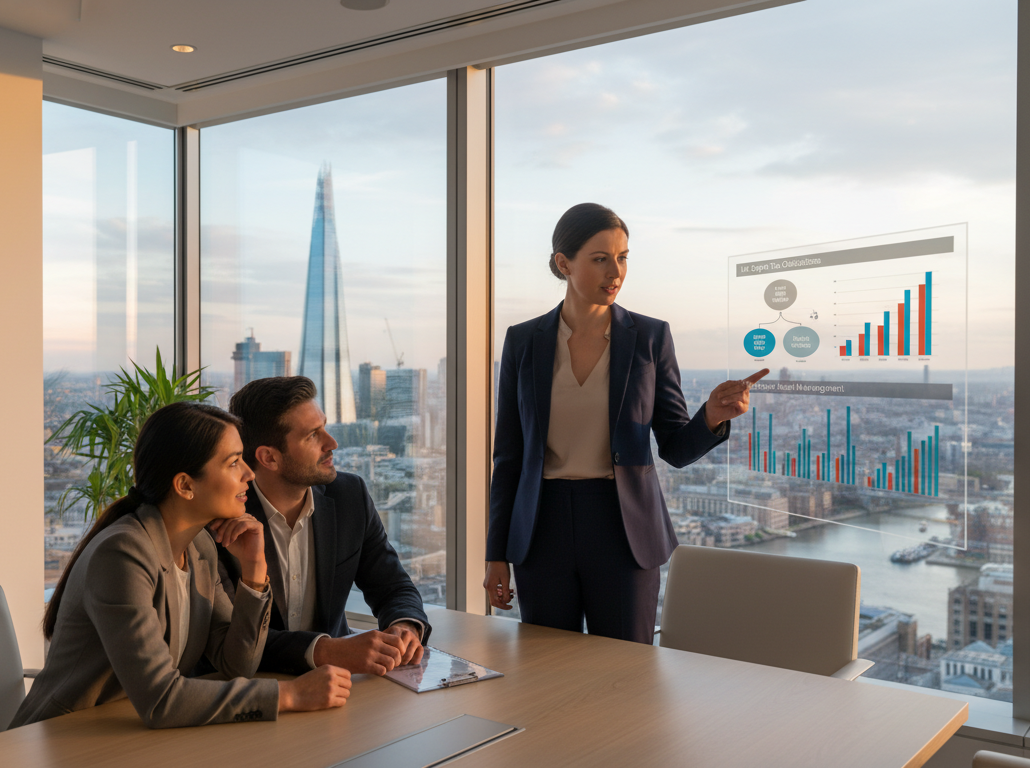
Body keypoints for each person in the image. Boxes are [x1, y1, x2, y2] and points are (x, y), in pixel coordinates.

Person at [483, 203, 767, 644]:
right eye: (600, 258)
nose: (615, 271)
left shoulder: (651, 338)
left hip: (624, 527)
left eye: (623, 257)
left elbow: (673, 447)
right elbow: (509, 457)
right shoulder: (523, 341)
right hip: (542, 529)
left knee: (627, 675)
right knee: (543, 668)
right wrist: (495, 554)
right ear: (564, 263)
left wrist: (711, 416)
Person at [11, 401, 351, 729]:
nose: (249, 472)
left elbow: (237, 664)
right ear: (185, 485)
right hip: (65, 738)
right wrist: (289, 695)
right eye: (234, 462)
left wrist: (254, 570)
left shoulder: (200, 547)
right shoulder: (122, 554)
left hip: (132, 737)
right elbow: (161, 700)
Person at [214, 376, 430, 677]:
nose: (332, 443)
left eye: (324, 427)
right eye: (313, 436)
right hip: (256, 688)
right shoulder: (222, 519)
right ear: (269, 458)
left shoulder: (349, 496)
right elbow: (225, 637)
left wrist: (404, 625)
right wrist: (326, 650)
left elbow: (392, 586)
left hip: (339, 685)